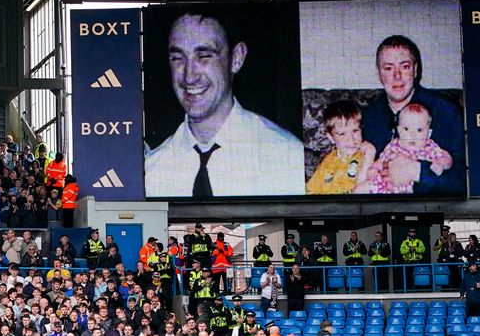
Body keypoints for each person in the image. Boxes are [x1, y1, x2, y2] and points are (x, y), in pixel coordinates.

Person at [145, 11, 304, 197]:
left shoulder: (287, 158)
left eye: (204, 56)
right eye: (177, 58)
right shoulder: (152, 170)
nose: (189, 76)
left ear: (236, 58)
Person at [360, 34, 464, 195]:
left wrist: (418, 172)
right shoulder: (369, 116)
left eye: (405, 66)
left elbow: (467, 179)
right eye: (388, 68)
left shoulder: (445, 111)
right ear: (378, 73)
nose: (397, 76)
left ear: (415, 70)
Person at [362, 103, 452, 194]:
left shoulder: (430, 147)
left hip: (414, 190)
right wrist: (374, 168)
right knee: (363, 188)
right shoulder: (394, 145)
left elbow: (446, 158)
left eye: (419, 130)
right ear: (399, 131)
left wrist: (441, 163)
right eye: (406, 129)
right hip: (388, 186)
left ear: (429, 134)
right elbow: (382, 159)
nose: (412, 135)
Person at [306, 100, 375, 194]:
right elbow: (311, 190)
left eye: (355, 131)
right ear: (331, 137)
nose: (350, 139)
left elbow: (362, 191)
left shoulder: (365, 157)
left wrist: (370, 155)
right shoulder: (328, 160)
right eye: (342, 134)